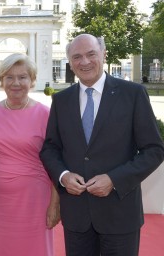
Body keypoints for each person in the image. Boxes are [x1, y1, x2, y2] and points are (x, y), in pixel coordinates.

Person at [40, 34, 164, 256]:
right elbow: (50, 149)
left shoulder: (133, 94)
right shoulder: (61, 100)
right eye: (77, 57)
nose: (84, 62)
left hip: (120, 214)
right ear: (70, 62)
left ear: (103, 55)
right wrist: (63, 175)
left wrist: (114, 179)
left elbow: (154, 150)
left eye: (91, 54)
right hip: (77, 217)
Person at [0, 53, 60, 256]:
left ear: (32, 81)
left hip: (35, 200)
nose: (16, 83)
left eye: (22, 77)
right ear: (2, 81)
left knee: (35, 249)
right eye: (9, 77)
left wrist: (54, 204)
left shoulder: (45, 115)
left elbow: (57, 163)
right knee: (1, 248)